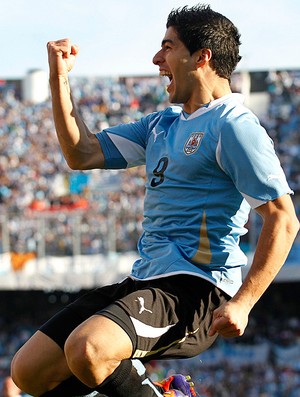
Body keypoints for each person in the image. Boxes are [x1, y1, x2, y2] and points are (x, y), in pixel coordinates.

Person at [11, 4, 299, 397]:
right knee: (29, 372)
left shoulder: (233, 126)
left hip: (196, 290)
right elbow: (82, 153)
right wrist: (58, 79)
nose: (156, 59)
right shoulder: (161, 124)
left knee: (89, 348)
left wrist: (244, 302)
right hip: (144, 281)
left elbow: (283, 219)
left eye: (167, 47)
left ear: (202, 57)